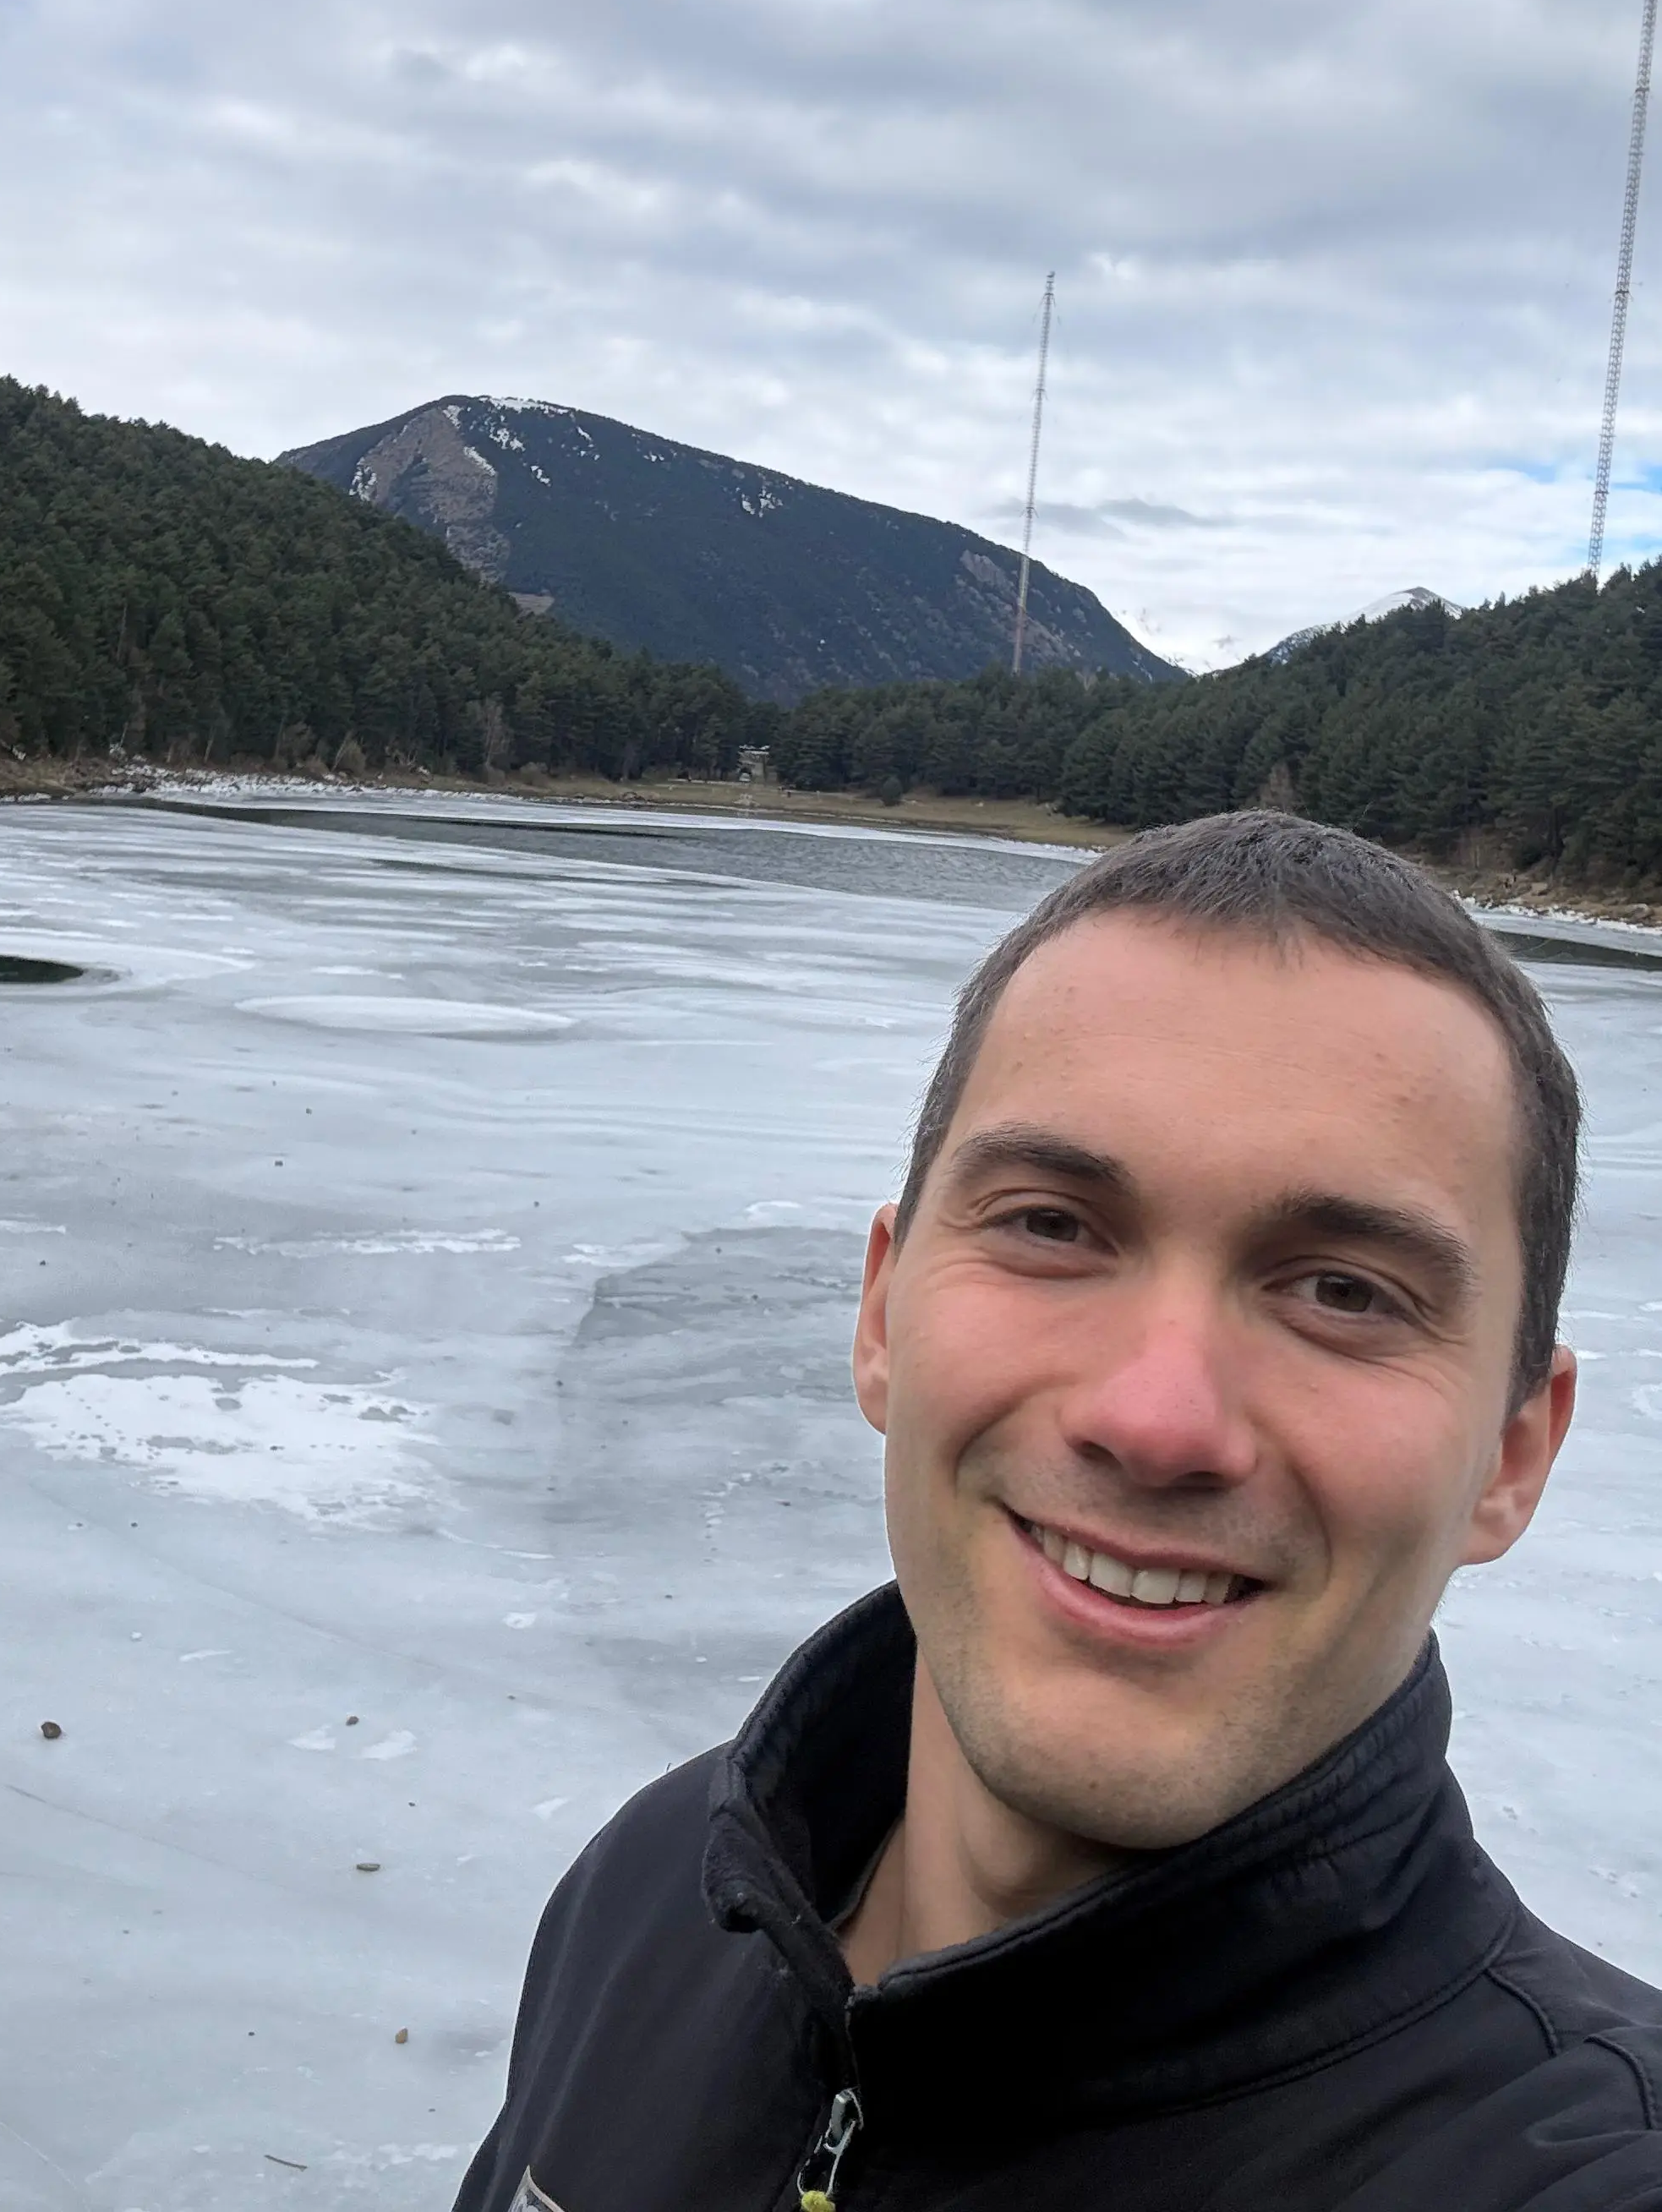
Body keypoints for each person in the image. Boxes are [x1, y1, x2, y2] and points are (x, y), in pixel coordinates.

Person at [453, 811, 1662, 2212]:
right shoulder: (660, 1894)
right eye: (1052, 1225)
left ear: (1515, 1455)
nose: (1155, 1419)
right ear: (883, 1314)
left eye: (1342, 1291)